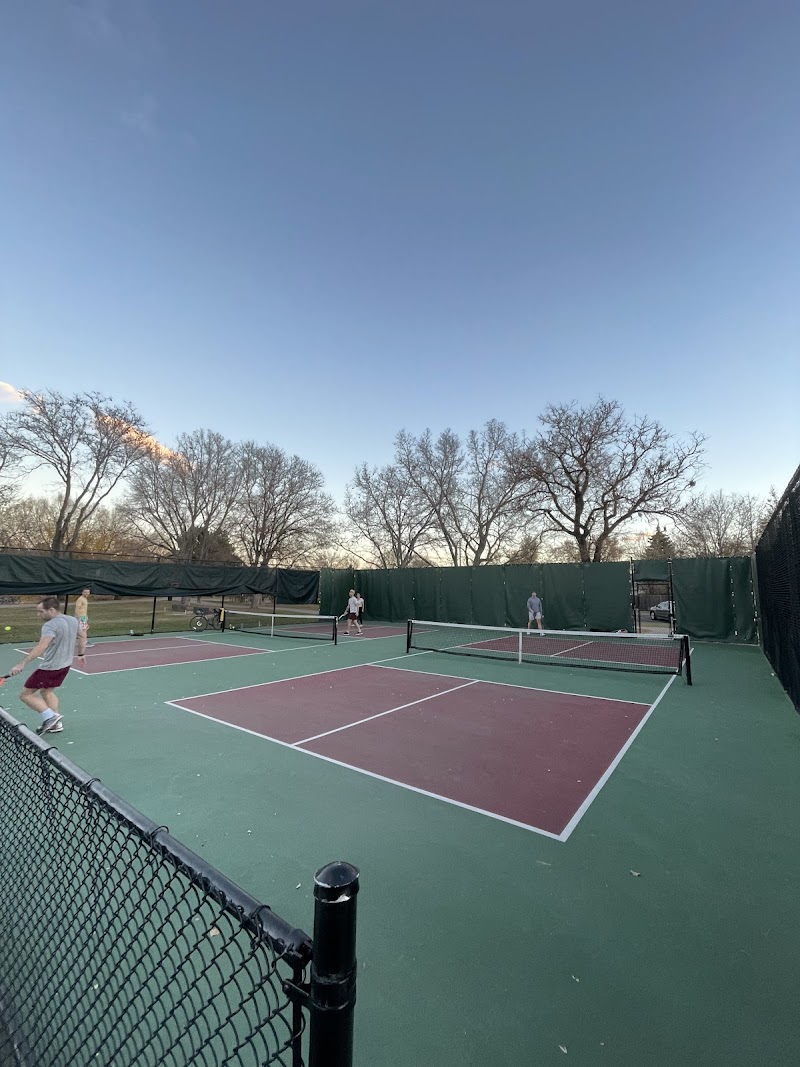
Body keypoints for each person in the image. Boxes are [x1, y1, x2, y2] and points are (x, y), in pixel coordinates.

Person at [10, 596, 87, 735]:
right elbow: (83, 636)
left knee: (25, 695)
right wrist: (81, 654)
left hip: (50, 667)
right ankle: (56, 725)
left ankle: (50, 716)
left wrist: (21, 664)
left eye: (40, 611)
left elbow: (42, 646)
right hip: (65, 665)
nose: (38, 615)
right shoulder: (72, 620)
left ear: (51, 610)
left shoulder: (50, 625)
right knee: (47, 691)